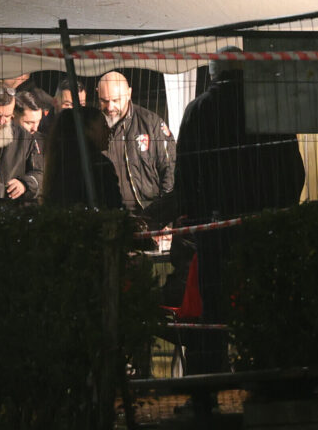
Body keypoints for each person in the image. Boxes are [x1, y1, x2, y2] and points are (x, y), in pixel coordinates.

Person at [171, 47, 305, 373]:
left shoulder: (198, 110)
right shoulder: (270, 108)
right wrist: (281, 209)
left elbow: (185, 174)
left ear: (213, 73)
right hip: (263, 222)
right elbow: (293, 169)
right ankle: (265, 374)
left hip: (214, 226)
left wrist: (195, 216)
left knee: (213, 308)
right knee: (263, 301)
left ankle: (207, 380)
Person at [97, 70, 175, 213]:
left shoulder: (151, 123)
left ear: (129, 94)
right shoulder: (94, 127)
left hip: (149, 214)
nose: (110, 107)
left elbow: (170, 171)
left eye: (115, 100)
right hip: (110, 217)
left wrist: (161, 216)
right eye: (104, 101)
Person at [41, 107, 122, 209]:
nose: (109, 131)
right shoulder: (99, 164)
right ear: (88, 130)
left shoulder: (60, 161)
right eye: (104, 126)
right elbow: (113, 205)